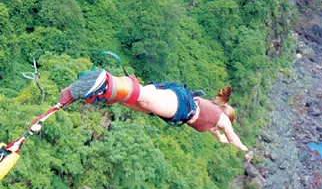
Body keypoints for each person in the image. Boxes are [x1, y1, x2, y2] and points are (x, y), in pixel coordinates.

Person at [61, 69, 248, 151]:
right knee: (145, 99)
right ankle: (106, 82)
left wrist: (223, 139)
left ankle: (101, 90)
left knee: (136, 101)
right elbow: (231, 135)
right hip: (181, 105)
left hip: (178, 101)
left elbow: (221, 135)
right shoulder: (220, 119)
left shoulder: (214, 120)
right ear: (226, 116)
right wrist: (242, 147)